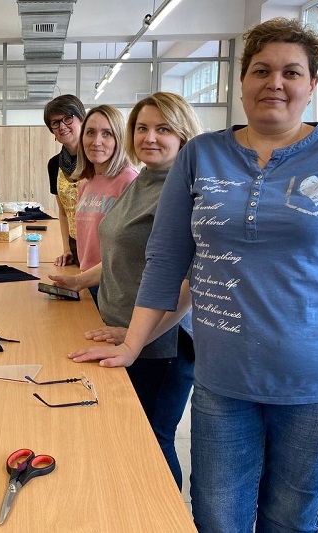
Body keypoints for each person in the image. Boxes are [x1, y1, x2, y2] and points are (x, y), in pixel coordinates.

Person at [69, 18, 318, 532]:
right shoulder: (202, 155)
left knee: (288, 517)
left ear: (312, 84)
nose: (274, 83)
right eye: (261, 70)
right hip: (224, 375)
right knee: (217, 514)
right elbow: (166, 259)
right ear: (242, 81)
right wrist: (131, 344)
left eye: (291, 72)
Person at [50, 92, 201, 489]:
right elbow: (123, 253)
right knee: (126, 437)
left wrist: (136, 337)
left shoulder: (186, 191)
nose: (150, 137)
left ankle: (162, 515)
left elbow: (189, 283)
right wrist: (79, 280)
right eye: (142, 128)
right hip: (124, 332)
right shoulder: (144, 181)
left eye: (163, 129)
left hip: (160, 343)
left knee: (152, 441)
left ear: (183, 135)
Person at [70, 105, 138, 302]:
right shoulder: (86, 182)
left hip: (113, 285)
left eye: (107, 134)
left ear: (119, 139)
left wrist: (82, 280)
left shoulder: (129, 180)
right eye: (90, 132)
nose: (96, 141)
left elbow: (129, 250)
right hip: (87, 278)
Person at [43, 95, 86, 267]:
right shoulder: (55, 164)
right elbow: (63, 212)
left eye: (68, 118)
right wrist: (67, 249)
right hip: (75, 246)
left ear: (82, 119)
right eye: (55, 123)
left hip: (102, 247)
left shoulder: (97, 158)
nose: (62, 126)